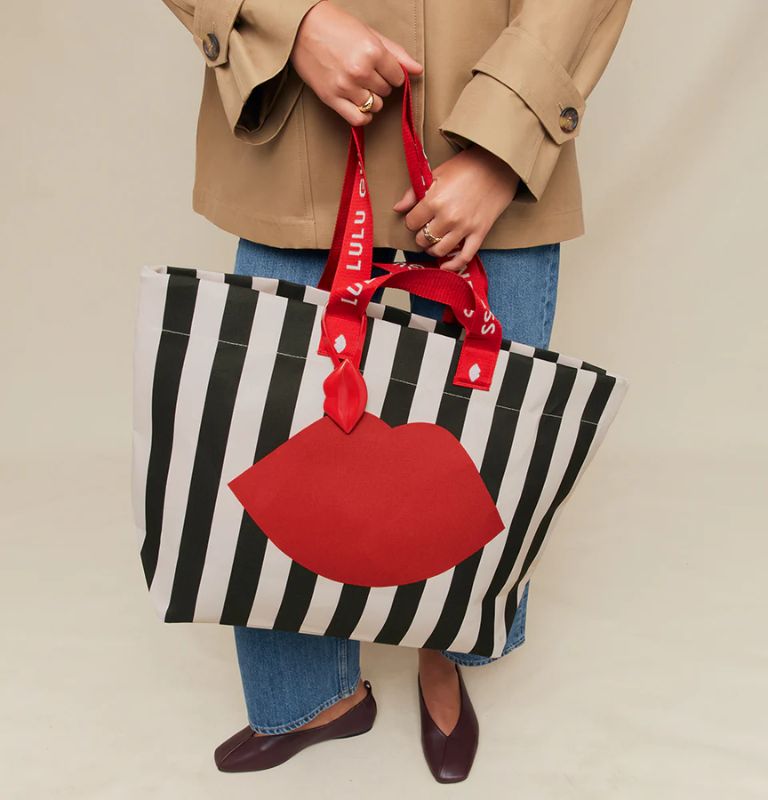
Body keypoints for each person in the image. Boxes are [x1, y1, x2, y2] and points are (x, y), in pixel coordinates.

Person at [160, 0, 632, 783]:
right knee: (275, 436)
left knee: (480, 443)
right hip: (295, 119)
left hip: (480, 118)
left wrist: (502, 147)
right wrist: (286, 23)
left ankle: (443, 654)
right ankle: (311, 696)